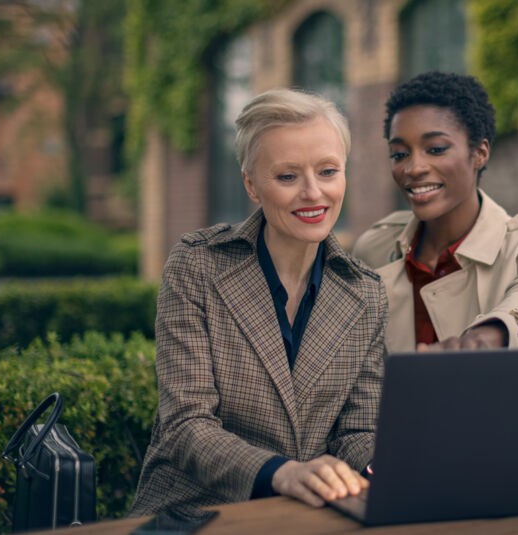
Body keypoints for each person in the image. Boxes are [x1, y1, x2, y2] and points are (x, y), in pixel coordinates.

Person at [131, 89, 386, 515]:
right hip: (195, 511)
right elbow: (186, 426)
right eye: (287, 177)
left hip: (310, 513)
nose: (313, 192)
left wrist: (387, 466)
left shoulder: (365, 291)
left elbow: (357, 431)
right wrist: (282, 472)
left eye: (328, 171)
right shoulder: (197, 266)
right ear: (251, 184)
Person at [352, 71, 518, 353]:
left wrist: (487, 337)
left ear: (479, 153)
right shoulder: (375, 247)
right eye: (399, 154)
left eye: (435, 149)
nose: (413, 168)